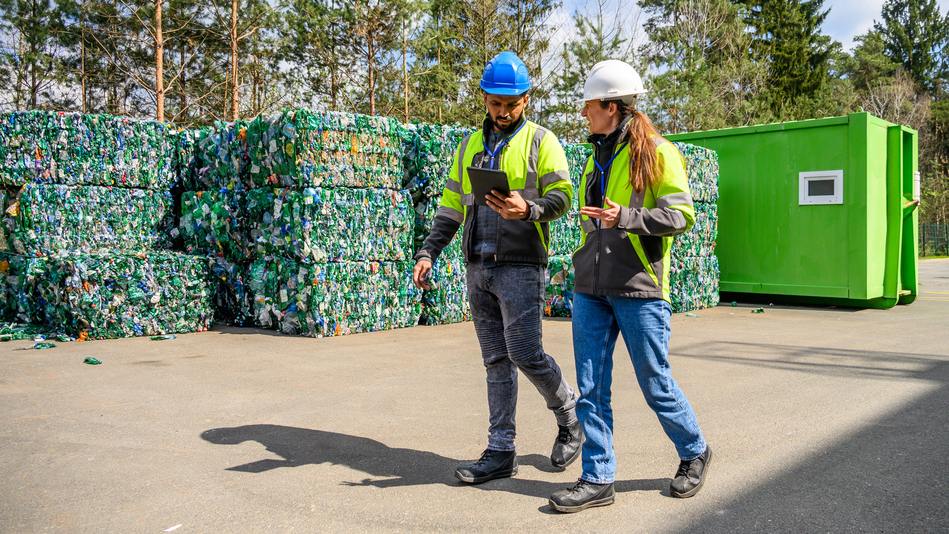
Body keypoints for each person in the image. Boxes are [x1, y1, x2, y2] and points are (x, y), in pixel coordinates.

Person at [548, 60, 711, 513]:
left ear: (610, 106)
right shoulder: (594, 155)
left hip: (640, 287)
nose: (583, 114)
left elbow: (681, 217)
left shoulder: (658, 152)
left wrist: (626, 218)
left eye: (588, 106)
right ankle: (598, 478)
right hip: (591, 288)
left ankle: (694, 450)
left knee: (655, 383)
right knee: (591, 386)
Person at [413, 51, 582, 484]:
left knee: (525, 353)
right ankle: (500, 450)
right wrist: (428, 252)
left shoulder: (543, 141)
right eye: (495, 103)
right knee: (495, 361)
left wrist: (529, 209)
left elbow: (563, 197)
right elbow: (452, 206)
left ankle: (569, 415)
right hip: (478, 266)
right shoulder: (469, 145)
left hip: (522, 266)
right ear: (485, 99)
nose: (503, 112)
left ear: (526, 100)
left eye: (511, 104)